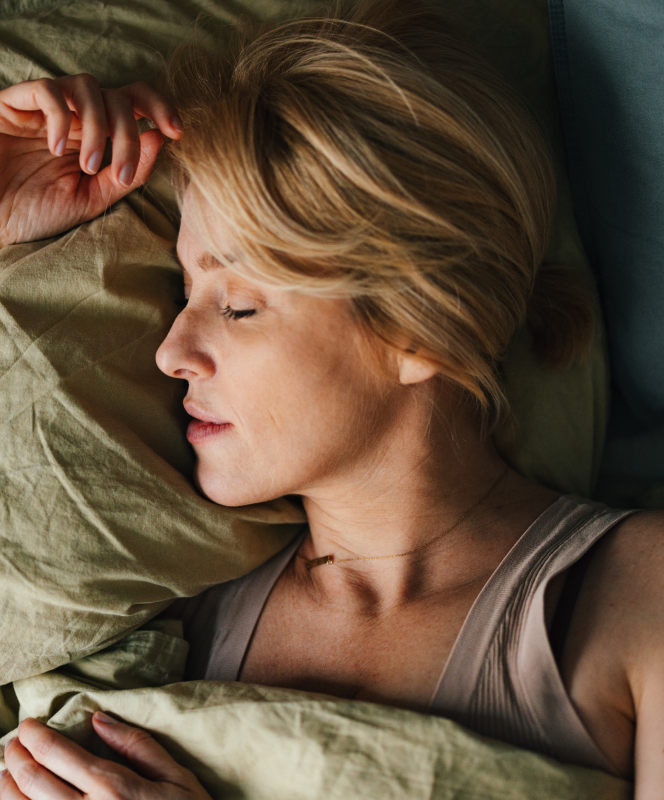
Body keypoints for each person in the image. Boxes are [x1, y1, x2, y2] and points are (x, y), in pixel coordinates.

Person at [0, 1, 663, 798]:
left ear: (417, 329)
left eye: (237, 305)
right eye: (184, 289)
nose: (171, 353)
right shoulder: (157, 611)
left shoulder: (635, 596)